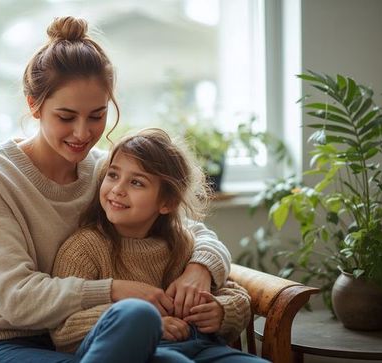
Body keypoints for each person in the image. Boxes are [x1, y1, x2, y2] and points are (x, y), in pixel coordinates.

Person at [0, 16, 232, 363]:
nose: (82, 133)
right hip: (0, 341)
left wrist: (200, 269)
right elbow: (16, 299)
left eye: (96, 116)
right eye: (66, 117)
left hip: (94, 337)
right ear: (34, 105)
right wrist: (113, 290)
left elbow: (195, 232)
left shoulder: (105, 173)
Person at [49, 128, 267, 362]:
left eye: (136, 182)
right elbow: (64, 329)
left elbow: (236, 295)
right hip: (140, 352)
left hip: (202, 346)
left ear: (167, 202)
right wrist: (149, 325)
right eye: (112, 175)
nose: (118, 189)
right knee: (146, 325)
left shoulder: (182, 243)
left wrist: (221, 311)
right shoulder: (84, 249)